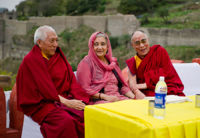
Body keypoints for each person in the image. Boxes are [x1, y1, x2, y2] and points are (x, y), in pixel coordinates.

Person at [16, 25, 90, 138]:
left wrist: (80, 99)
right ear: (40, 43)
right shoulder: (31, 61)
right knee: (66, 122)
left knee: (87, 115)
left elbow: (70, 80)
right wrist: (66, 102)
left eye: (56, 40)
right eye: (52, 41)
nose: (55, 44)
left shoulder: (58, 57)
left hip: (62, 98)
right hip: (42, 104)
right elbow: (43, 88)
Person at [76, 32, 135, 105]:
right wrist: (106, 97)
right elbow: (85, 89)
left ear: (107, 46)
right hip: (98, 101)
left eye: (103, 44)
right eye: (96, 44)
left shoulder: (112, 63)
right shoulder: (86, 63)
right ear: (91, 46)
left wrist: (134, 98)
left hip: (117, 98)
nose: (99, 47)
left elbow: (122, 86)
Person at [126, 30, 185, 99]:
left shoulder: (159, 51)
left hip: (165, 88)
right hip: (146, 93)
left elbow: (166, 71)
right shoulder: (132, 62)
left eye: (144, 41)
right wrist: (137, 92)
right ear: (133, 45)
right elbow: (133, 85)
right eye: (137, 43)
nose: (141, 45)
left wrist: (145, 84)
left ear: (148, 40)